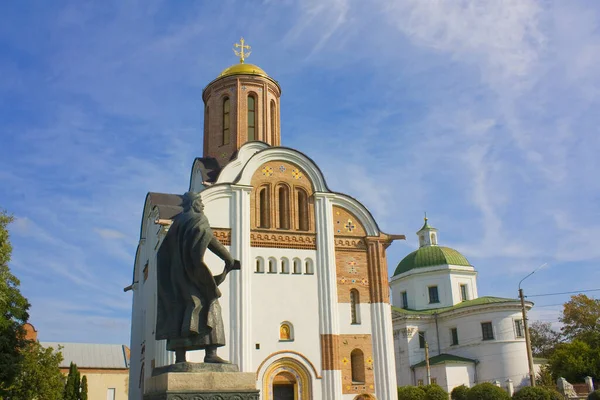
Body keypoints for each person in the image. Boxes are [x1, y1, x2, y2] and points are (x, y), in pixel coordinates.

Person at [155, 191, 240, 363]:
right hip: (192, 272)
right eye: (200, 202)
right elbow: (210, 241)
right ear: (194, 204)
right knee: (211, 303)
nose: (202, 205)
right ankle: (211, 354)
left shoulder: (177, 222)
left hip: (177, 277)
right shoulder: (198, 219)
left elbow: (163, 252)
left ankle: (180, 357)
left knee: (180, 308)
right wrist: (228, 259)